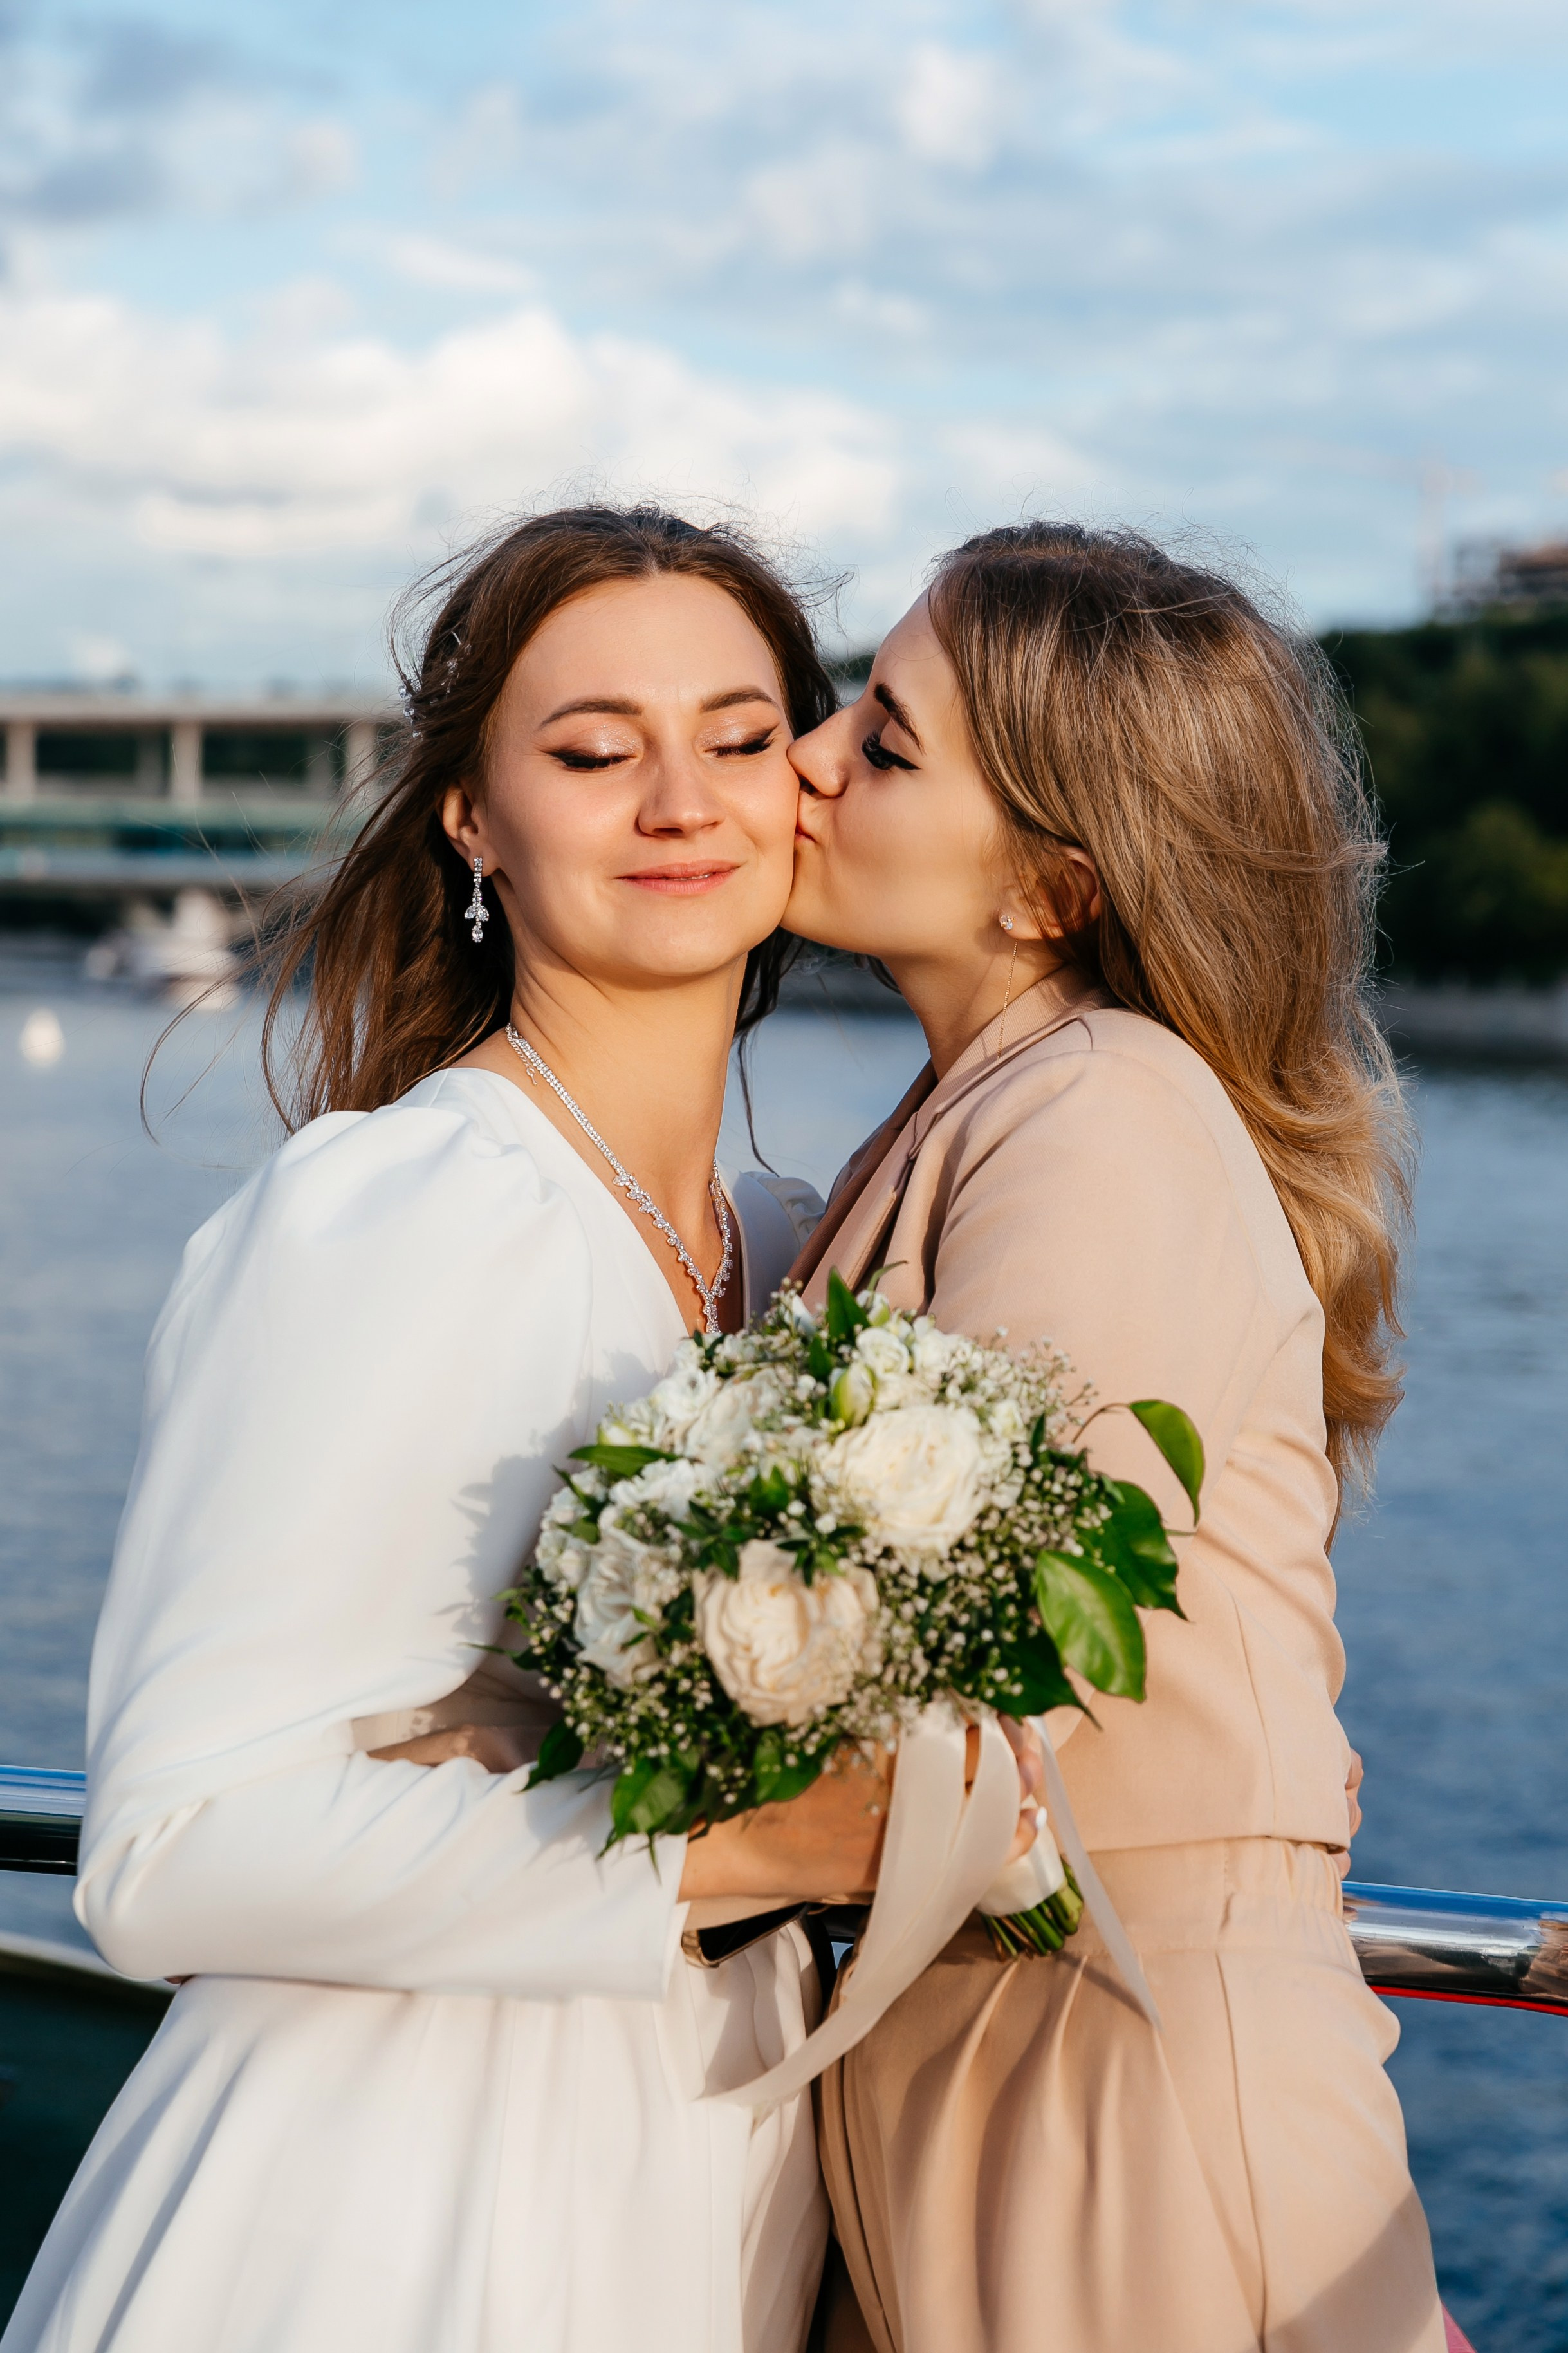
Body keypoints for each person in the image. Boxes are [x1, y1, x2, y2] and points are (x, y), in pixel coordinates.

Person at [3, 505, 894, 2353]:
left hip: (706, 2181)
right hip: (393, 2212)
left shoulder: (797, 1246)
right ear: (473, 819)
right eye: (592, 751)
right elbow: (166, 1848)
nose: (681, 801)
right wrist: (751, 1850)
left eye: (740, 737)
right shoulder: (396, 1209)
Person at [783, 523, 1446, 2353]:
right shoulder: (989, 1105)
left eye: (887, 741)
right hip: (1023, 2053)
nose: (807, 754)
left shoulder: (1104, 1120)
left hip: (1117, 2086)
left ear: (1055, 891)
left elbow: (982, 1663)